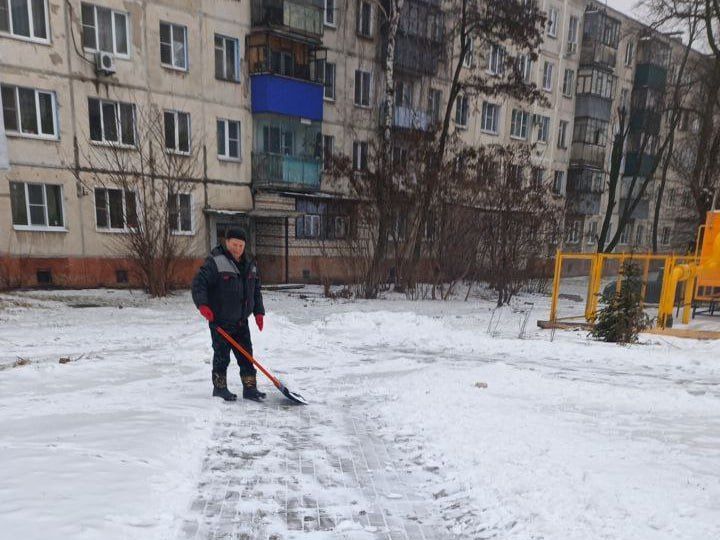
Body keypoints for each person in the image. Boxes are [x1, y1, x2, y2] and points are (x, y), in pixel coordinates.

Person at [191, 228, 266, 401]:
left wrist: (258, 312)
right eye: (234, 244)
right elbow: (199, 283)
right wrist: (202, 305)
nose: (237, 248)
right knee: (221, 357)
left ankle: (250, 388)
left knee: (247, 356)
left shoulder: (250, 264)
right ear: (227, 242)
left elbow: (256, 291)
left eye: (241, 245)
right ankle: (220, 388)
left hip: (241, 321)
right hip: (220, 322)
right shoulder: (215, 261)